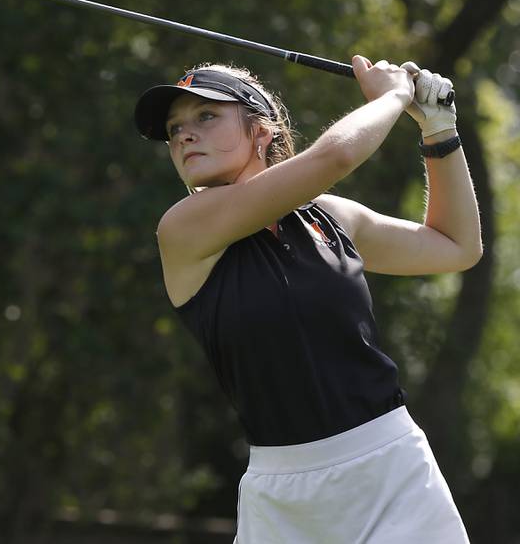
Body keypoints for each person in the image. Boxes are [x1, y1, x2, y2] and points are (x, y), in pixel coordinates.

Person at [133, 56, 481, 543]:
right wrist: (394, 96)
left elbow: (456, 246)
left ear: (262, 131)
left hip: (395, 470)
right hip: (284, 500)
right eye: (174, 129)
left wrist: (439, 130)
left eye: (206, 116)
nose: (184, 135)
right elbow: (334, 158)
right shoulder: (184, 227)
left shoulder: (329, 217)